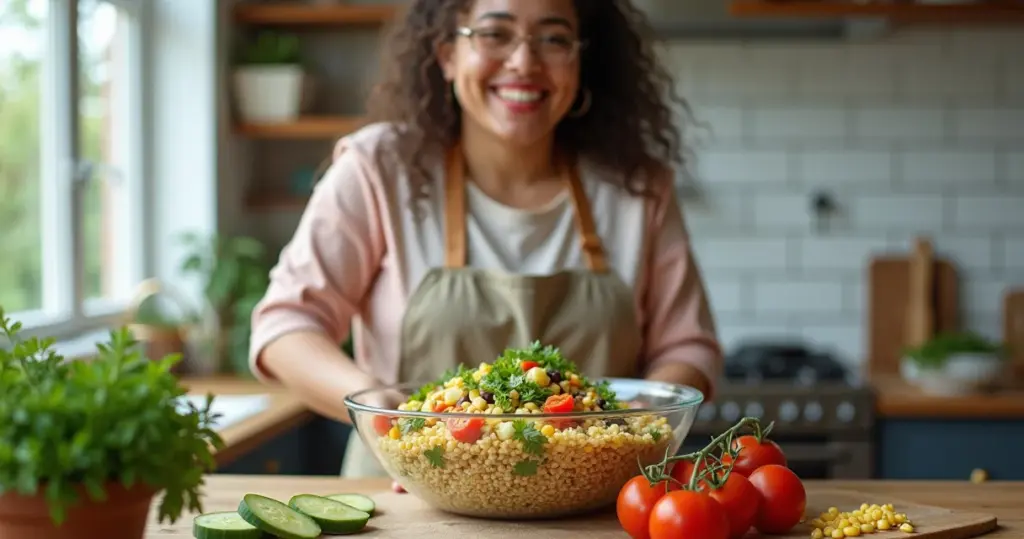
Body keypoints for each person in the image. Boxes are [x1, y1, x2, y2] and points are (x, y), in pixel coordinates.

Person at [247, 0, 723, 479]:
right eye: (495, 34)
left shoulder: (635, 188)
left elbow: (688, 348)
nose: (523, 62)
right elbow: (285, 327)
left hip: (596, 500)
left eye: (554, 38)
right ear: (448, 55)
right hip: (406, 496)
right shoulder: (382, 170)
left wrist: (632, 419)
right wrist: (380, 407)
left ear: (582, 59)